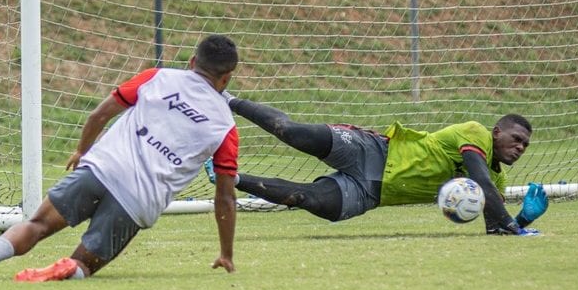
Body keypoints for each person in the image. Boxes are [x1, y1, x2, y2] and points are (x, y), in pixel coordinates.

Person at [0, 35, 240, 283]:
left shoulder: (158, 77)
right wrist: (226, 253)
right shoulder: (225, 125)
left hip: (101, 168)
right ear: (225, 78)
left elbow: (99, 115)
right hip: (138, 200)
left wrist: (81, 151)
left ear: (192, 61)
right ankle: (67, 267)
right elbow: (225, 197)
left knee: (36, 225)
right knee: (84, 265)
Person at [206, 95, 547, 235]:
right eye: (516, 139)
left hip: (370, 193)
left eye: (525, 146)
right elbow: (480, 180)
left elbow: (495, 227)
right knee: (292, 132)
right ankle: (228, 99)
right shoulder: (475, 134)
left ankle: (231, 177)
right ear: (497, 132)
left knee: (305, 199)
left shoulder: (494, 182)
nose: (519, 148)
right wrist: (516, 227)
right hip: (372, 151)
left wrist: (521, 220)